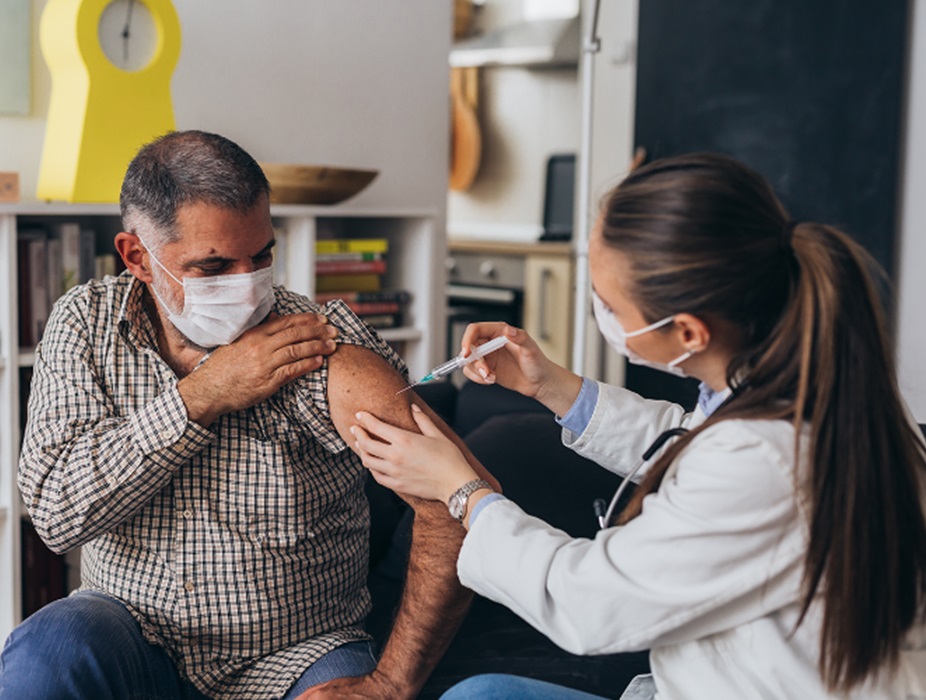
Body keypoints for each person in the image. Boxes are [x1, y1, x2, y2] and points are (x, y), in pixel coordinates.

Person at [350, 153, 926, 699]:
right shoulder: (795, 386)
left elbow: (586, 603)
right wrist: (549, 384)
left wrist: (463, 492)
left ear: (689, 333)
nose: (600, 313)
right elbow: (685, 439)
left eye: (608, 304)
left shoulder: (765, 457)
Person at [1, 130, 495, 700]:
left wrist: (391, 682)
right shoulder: (86, 325)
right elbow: (59, 514)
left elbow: (458, 502)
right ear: (137, 256)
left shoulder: (318, 344)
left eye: (261, 256)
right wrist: (203, 395)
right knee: (47, 649)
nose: (246, 286)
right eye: (213, 267)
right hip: (132, 632)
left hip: (296, 654)